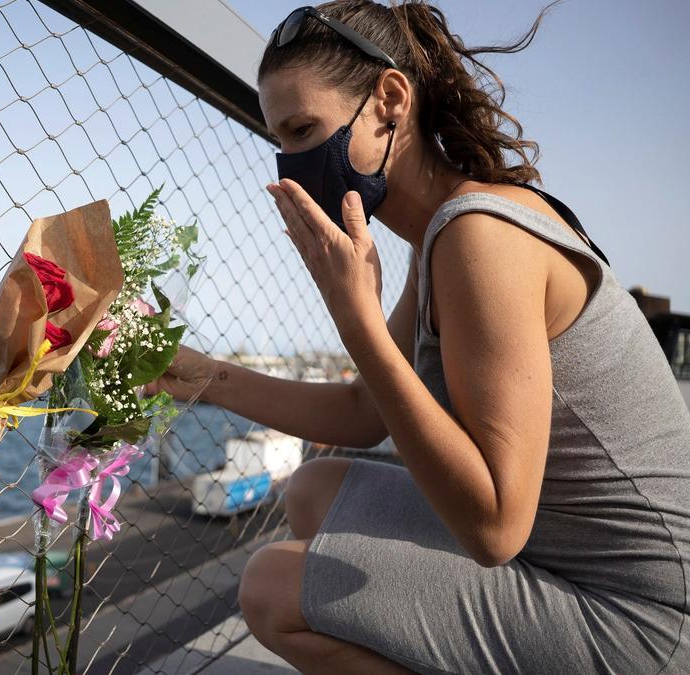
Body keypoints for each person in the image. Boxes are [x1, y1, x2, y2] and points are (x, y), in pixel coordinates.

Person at [146, 1, 690, 672]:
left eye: (304, 129)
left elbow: (495, 526)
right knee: (310, 488)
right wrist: (200, 375)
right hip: (559, 560)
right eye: (280, 141)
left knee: (269, 586)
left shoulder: (480, 237)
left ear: (390, 100)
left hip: (643, 621)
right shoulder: (440, 236)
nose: (290, 163)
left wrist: (358, 322)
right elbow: (362, 409)